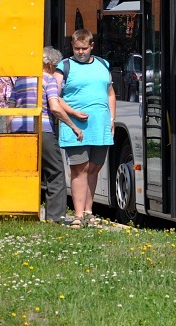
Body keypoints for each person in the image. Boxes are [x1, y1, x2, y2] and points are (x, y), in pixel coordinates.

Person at [9, 47, 87, 224]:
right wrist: (74, 126)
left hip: (19, 131)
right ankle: (55, 218)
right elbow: (54, 107)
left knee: (26, 173)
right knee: (55, 173)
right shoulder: (48, 80)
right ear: (50, 65)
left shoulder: (21, 80)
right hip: (42, 130)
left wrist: (10, 131)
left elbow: (11, 110)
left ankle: (22, 214)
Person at [54, 29, 115, 228]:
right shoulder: (64, 67)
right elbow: (54, 96)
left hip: (101, 126)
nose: (80, 52)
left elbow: (110, 93)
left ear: (91, 46)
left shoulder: (103, 64)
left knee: (94, 169)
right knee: (79, 169)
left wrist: (112, 119)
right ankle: (78, 215)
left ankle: (89, 212)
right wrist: (73, 113)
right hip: (75, 127)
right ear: (72, 47)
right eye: (76, 48)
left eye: (84, 48)